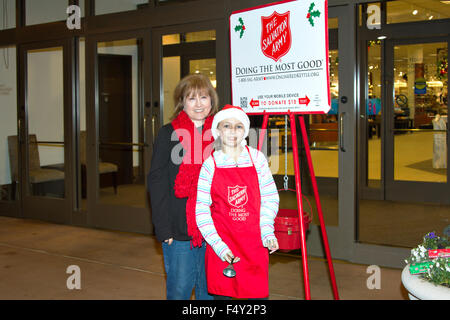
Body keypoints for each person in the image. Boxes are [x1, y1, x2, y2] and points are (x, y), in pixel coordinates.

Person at [195, 105, 279, 300]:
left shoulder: (257, 159)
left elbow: (270, 197)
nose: (233, 131)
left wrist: (267, 231)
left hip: (254, 245)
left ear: (246, 131)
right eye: (227, 125)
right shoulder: (210, 165)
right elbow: (201, 210)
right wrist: (218, 245)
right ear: (217, 130)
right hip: (223, 245)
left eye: (239, 126)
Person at [147, 74, 218, 300]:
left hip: (214, 228)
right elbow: (156, 182)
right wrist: (163, 228)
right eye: (192, 98)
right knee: (180, 290)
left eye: (203, 97)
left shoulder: (222, 133)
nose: (199, 104)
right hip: (179, 228)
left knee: (211, 291)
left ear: (211, 100)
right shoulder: (169, 133)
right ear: (182, 102)